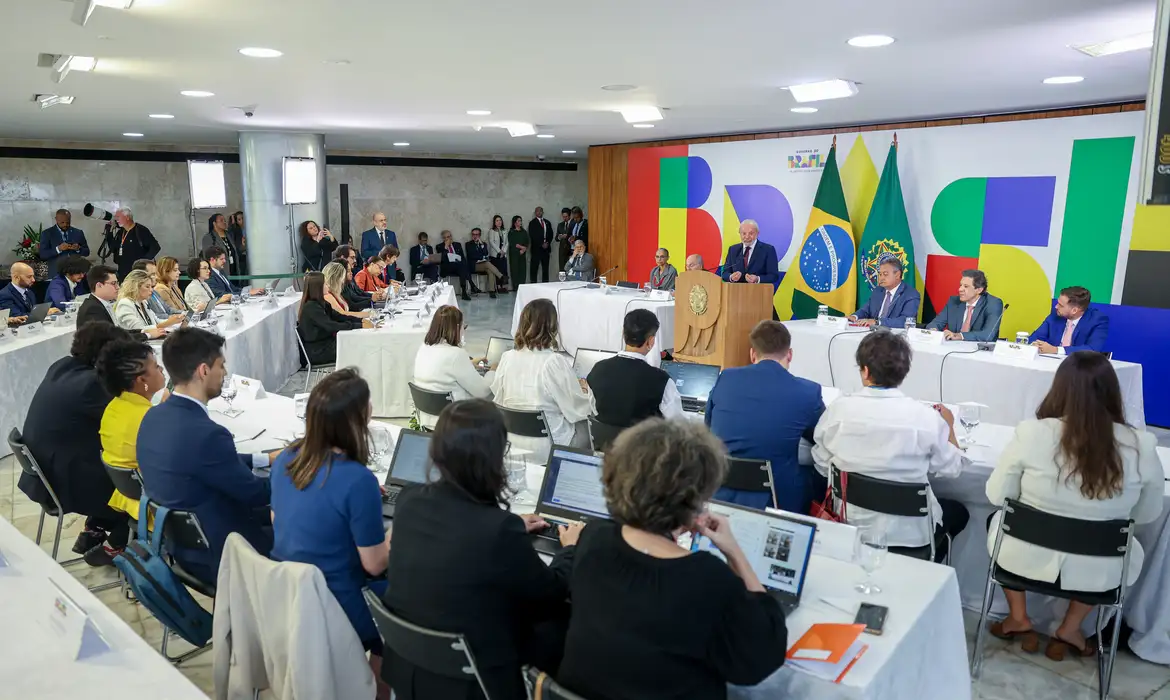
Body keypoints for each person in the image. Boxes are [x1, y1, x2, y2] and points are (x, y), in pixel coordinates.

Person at [557, 419, 787, 699]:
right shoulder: (706, 577)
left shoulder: (594, 539)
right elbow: (761, 657)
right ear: (695, 499)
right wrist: (734, 553)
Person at [382, 399, 582, 700]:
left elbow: (457, 529)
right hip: (477, 681)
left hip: (410, 668)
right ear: (494, 459)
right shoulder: (498, 531)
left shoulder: (410, 501)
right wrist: (569, 549)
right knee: (564, 621)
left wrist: (509, 522)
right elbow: (550, 594)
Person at [984, 351, 1164, 659]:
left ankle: (1018, 615)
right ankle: (1070, 626)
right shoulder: (1140, 444)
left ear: (1060, 388)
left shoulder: (1032, 433)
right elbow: (1147, 514)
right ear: (1112, 393)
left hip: (1023, 557)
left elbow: (998, 496)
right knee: (1117, 540)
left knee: (996, 520)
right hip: (1101, 569)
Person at [137, 327, 278, 586]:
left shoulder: (152, 417)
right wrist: (300, 470)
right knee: (314, 536)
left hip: (181, 545)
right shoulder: (208, 435)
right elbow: (257, 493)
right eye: (221, 366)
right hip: (225, 554)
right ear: (203, 371)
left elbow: (205, 463)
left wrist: (265, 459)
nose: (224, 373)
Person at [812, 331, 969, 562]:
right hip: (910, 534)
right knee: (959, 512)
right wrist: (950, 426)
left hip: (851, 525)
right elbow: (952, 469)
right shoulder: (926, 419)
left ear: (864, 371)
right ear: (904, 372)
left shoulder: (838, 410)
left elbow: (822, 463)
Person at [270, 369, 390, 656]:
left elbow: (278, 520)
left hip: (288, 596)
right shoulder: (358, 480)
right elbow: (374, 565)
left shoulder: (287, 459)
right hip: (339, 604)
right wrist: (396, 535)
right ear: (357, 418)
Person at [18, 324, 135, 566]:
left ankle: (95, 526)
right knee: (143, 485)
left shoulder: (62, 366)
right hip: (67, 485)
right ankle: (116, 545)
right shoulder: (91, 384)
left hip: (48, 475)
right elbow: (131, 421)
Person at [706, 321, 825, 511]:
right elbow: (821, 438)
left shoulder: (726, 378)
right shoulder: (808, 392)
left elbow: (709, 426)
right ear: (790, 354)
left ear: (753, 354)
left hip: (722, 491)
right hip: (778, 498)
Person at [492, 299, 594, 453]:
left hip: (511, 442)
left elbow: (498, 399)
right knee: (588, 423)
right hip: (549, 447)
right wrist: (588, 392)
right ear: (552, 327)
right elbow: (577, 409)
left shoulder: (507, 357)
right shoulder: (553, 362)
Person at [97, 337, 167, 523]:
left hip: (134, 500)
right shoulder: (151, 420)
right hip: (163, 510)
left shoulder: (113, 407)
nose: (161, 370)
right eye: (156, 367)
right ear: (142, 379)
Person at [587, 309, 683, 428]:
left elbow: (594, 410)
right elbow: (678, 424)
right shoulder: (661, 380)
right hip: (645, 445)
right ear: (651, 341)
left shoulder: (598, 369)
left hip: (606, 444)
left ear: (623, 333)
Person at [413, 306, 491, 428]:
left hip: (427, 420)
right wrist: (493, 371)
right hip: (455, 423)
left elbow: (440, 370)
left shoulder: (423, 348)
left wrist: (468, 364)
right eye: (463, 327)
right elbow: (483, 391)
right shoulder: (456, 354)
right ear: (457, 328)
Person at [298, 272, 369, 365]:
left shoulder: (321, 303)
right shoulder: (311, 307)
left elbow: (339, 316)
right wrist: (360, 325)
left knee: (359, 343)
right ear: (318, 287)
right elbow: (331, 326)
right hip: (318, 351)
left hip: (326, 345)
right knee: (360, 347)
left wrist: (360, 321)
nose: (328, 286)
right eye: (325, 284)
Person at [926, 269, 1004, 342]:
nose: (960, 289)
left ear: (979, 290)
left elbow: (988, 335)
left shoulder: (993, 303)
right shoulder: (953, 301)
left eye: (966, 286)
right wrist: (934, 331)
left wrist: (960, 336)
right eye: (960, 285)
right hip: (952, 349)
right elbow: (936, 323)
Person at [1030, 286, 1109, 355]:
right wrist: (1035, 345)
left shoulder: (1098, 320)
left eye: (1061, 305)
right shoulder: (1056, 315)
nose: (1056, 307)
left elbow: (1093, 349)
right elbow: (1035, 338)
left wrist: (1056, 350)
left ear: (1074, 310)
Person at [850, 257, 921, 328]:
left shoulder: (911, 294)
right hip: (873, 332)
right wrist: (854, 317)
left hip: (895, 335)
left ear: (897, 275)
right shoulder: (878, 290)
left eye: (885, 274)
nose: (881, 278)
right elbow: (865, 310)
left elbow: (905, 321)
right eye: (880, 274)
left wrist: (878, 322)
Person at [113, 270, 182, 339]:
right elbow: (138, 329)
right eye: (147, 287)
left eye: (151, 287)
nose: (151, 290)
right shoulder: (125, 304)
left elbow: (156, 321)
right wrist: (167, 323)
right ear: (135, 287)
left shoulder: (143, 302)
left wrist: (174, 320)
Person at [721, 219, 779, 289]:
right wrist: (731, 277)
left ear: (757, 233)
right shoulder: (733, 250)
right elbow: (725, 274)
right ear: (739, 233)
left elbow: (774, 276)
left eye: (751, 233)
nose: (747, 236)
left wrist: (757, 279)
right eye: (744, 233)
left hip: (759, 293)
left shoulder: (768, 250)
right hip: (736, 293)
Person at [108, 207, 161, 281]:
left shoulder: (140, 230)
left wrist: (142, 263)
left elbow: (155, 247)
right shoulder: (120, 232)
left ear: (127, 217)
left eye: (118, 217)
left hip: (138, 274)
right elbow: (112, 248)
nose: (116, 219)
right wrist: (109, 232)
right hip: (122, 273)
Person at [39, 208, 90, 278]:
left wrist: (78, 249)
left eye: (68, 222)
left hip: (77, 274)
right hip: (56, 274)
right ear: (56, 219)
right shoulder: (47, 233)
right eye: (62, 222)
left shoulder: (78, 232)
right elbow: (43, 255)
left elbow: (87, 252)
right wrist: (58, 249)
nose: (65, 224)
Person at [333, 245, 377, 311]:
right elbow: (352, 303)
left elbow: (359, 293)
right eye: (352, 258)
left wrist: (374, 296)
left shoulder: (350, 274)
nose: (355, 261)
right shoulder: (338, 278)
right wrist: (371, 300)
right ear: (343, 258)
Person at [438, 229, 475, 301]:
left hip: (458, 267)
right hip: (447, 268)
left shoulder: (457, 245)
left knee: (462, 265)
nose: (447, 239)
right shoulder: (439, 246)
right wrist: (446, 246)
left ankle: (464, 292)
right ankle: (471, 285)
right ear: (443, 238)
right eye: (445, 237)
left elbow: (463, 258)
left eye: (448, 237)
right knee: (462, 266)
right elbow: (442, 259)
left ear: (451, 237)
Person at [201, 213, 242, 279]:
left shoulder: (229, 235)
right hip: (220, 272)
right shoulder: (208, 238)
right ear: (214, 223)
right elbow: (207, 257)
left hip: (234, 270)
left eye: (225, 220)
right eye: (221, 220)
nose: (224, 222)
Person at [467, 228, 501, 298]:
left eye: (477, 234)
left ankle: (492, 291)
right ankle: (501, 276)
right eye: (473, 234)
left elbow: (485, 253)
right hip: (473, 265)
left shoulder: (483, 244)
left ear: (480, 235)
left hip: (483, 264)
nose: (475, 236)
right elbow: (471, 255)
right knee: (487, 263)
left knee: (490, 271)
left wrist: (481, 245)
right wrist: (481, 257)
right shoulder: (468, 244)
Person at [528, 206, 554, 283]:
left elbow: (551, 234)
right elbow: (532, 235)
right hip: (536, 249)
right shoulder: (532, 223)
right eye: (537, 211)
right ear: (535, 213)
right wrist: (541, 244)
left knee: (545, 269)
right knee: (534, 269)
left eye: (540, 211)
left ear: (543, 212)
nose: (539, 213)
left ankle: (545, 284)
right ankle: (533, 284)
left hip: (546, 249)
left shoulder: (547, 222)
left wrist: (547, 243)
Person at [487, 214, 510, 291]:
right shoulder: (492, 231)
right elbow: (491, 242)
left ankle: (504, 286)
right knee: (497, 269)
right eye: (497, 220)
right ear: (494, 222)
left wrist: (503, 251)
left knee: (504, 269)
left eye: (500, 220)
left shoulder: (505, 230)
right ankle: (498, 287)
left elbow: (506, 242)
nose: (499, 222)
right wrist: (499, 251)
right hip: (495, 254)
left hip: (503, 253)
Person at [507, 215, 529, 286]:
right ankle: (515, 286)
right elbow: (512, 243)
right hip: (514, 254)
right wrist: (521, 247)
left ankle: (522, 285)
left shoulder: (524, 232)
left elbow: (527, 241)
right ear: (515, 222)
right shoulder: (512, 232)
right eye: (518, 221)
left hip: (522, 253)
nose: (520, 222)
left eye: (521, 220)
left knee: (522, 269)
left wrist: (524, 249)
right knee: (515, 270)